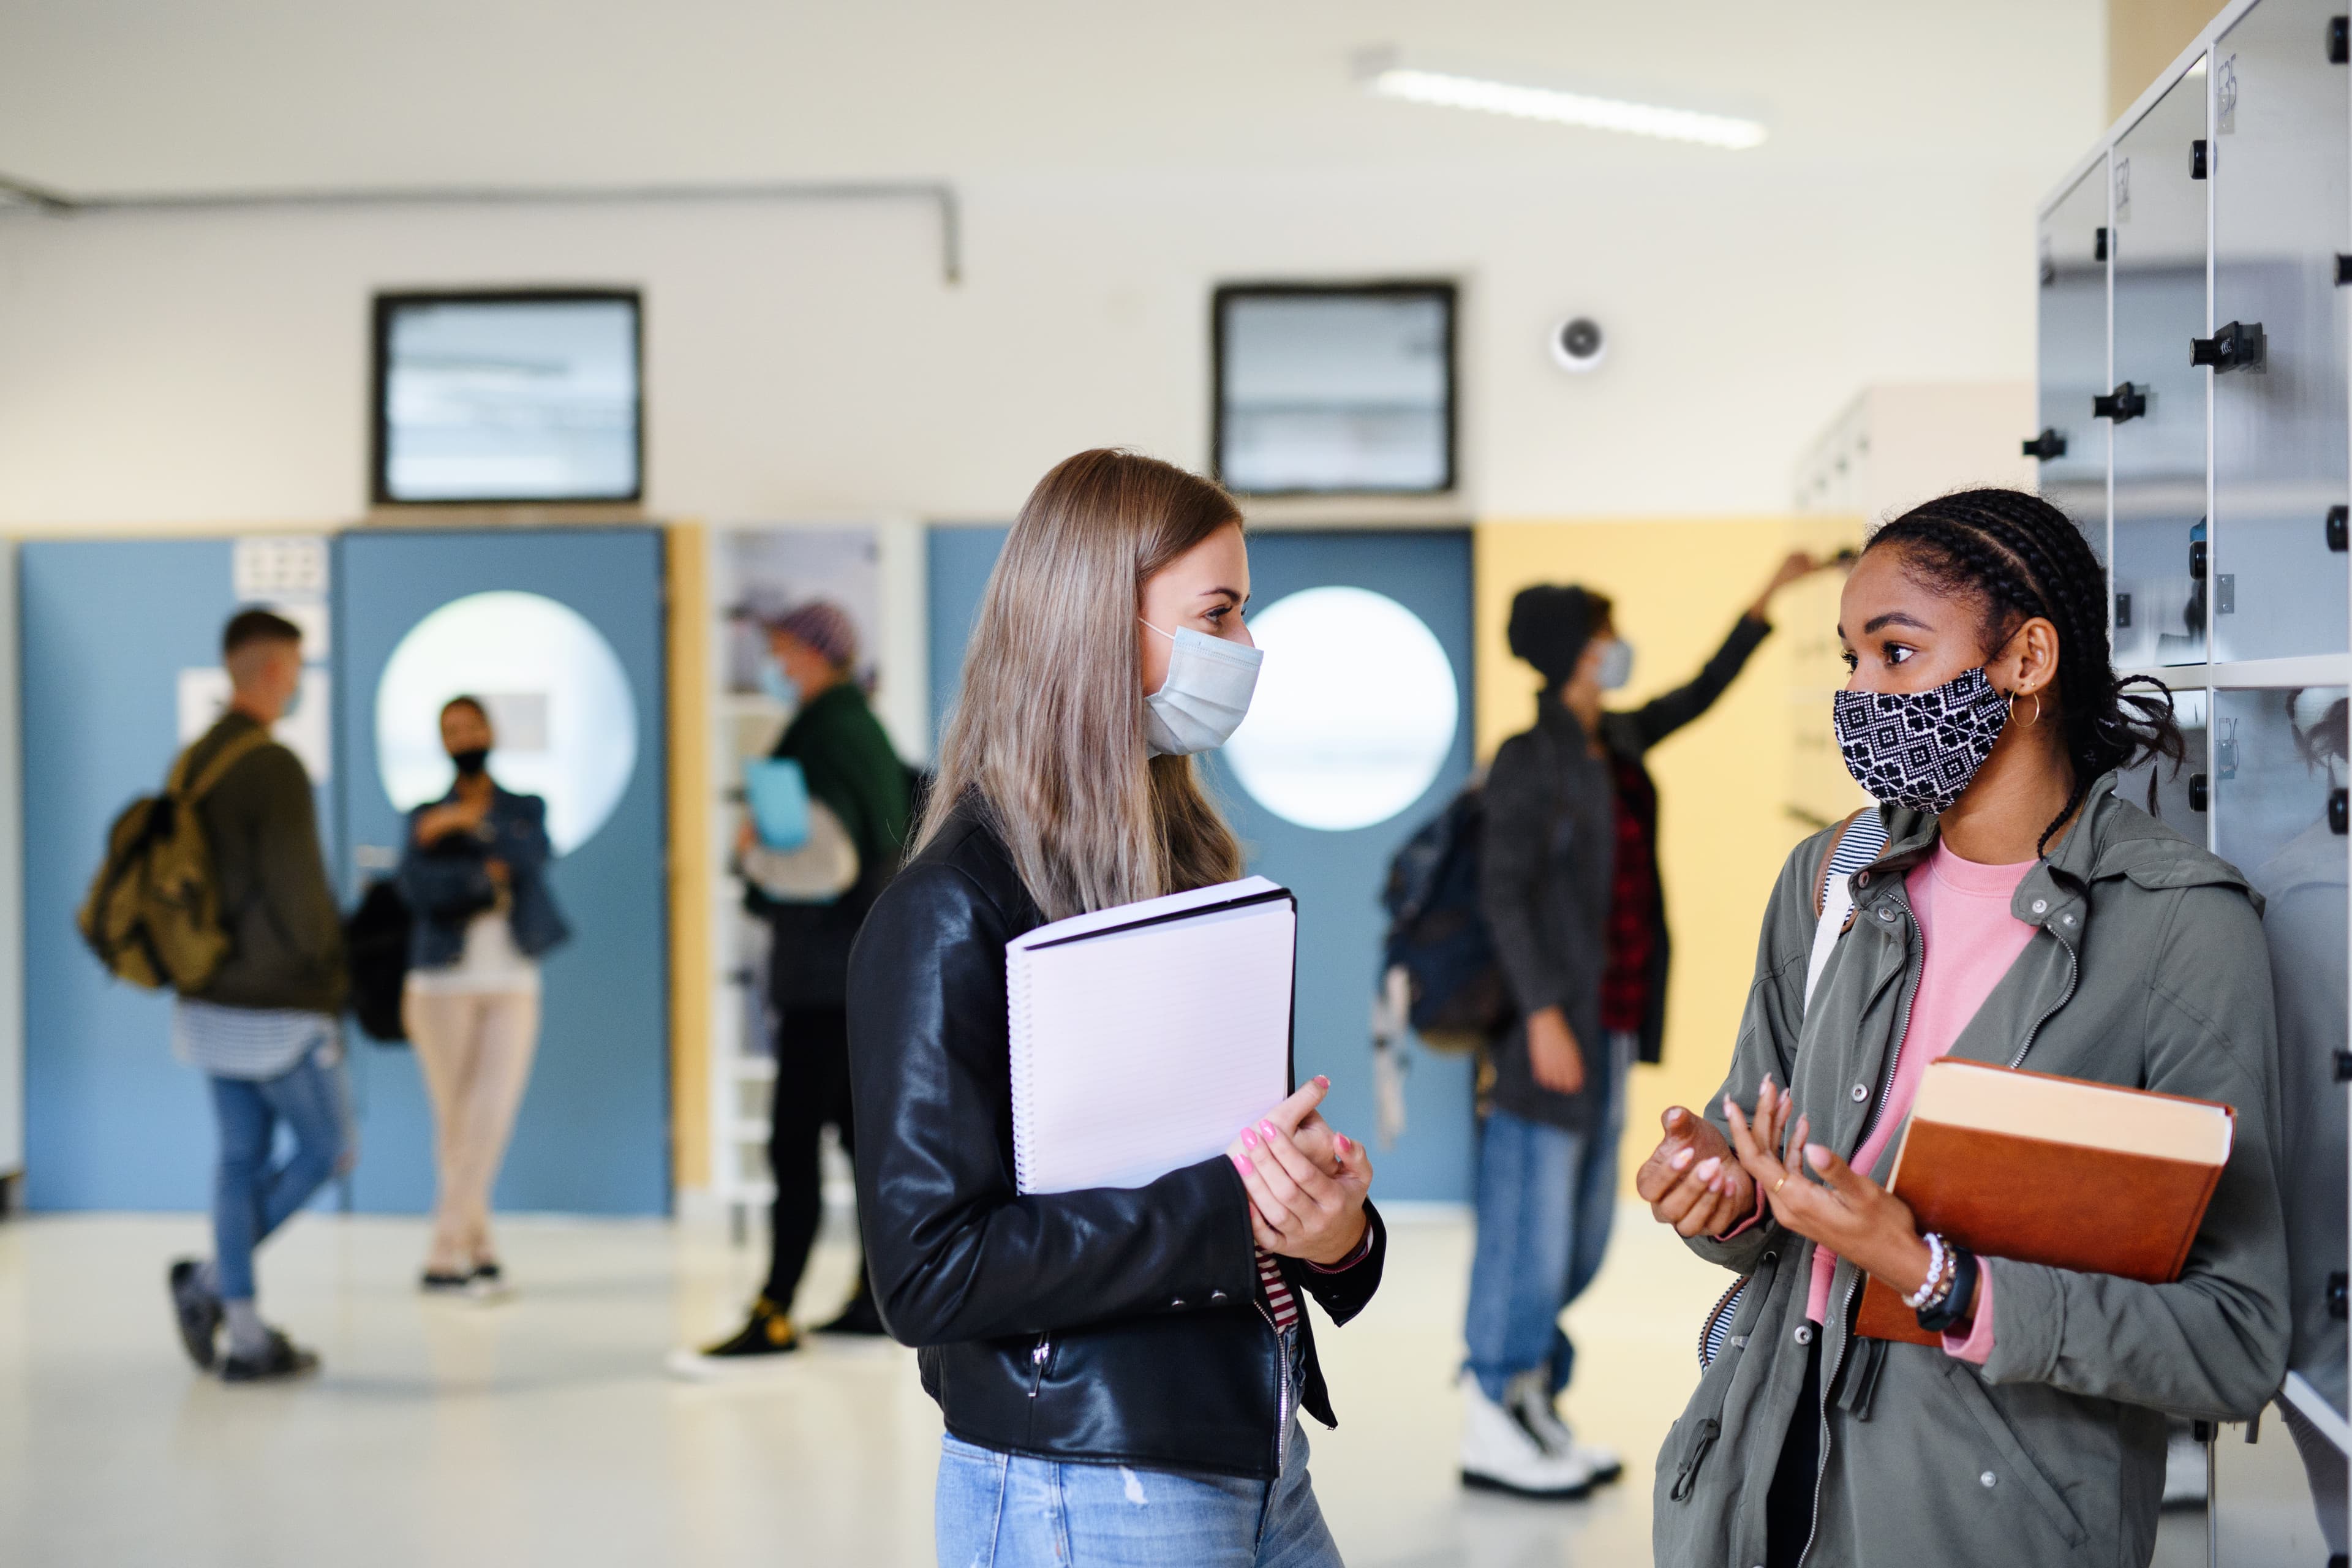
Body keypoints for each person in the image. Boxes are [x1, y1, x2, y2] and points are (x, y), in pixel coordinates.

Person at [1636, 489, 2289, 1567]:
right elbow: (1765, 1199)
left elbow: (2234, 1340)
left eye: (1895, 654)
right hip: (1756, 1491)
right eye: (1850, 657)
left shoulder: (2182, 930)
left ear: (2027, 660)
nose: (1858, 692)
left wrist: (1938, 1277)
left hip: (1983, 1524)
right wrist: (1722, 1190)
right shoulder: (1834, 875)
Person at [850, 448, 1385, 1568]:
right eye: (1220, 614)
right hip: (1086, 1484)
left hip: (1255, 1450)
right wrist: (1228, 1209)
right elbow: (929, 1272)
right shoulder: (949, 909)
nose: (1246, 649)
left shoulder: (1181, 864)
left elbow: (1211, 1166)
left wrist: (1331, 1232)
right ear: (1101, 626)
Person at [1463, 554, 1820, 1497]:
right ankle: (1490, 1407)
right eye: (1606, 634)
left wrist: (1762, 599)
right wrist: (1541, 1015)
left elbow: (1697, 693)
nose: (1619, 648)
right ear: (1579, 649)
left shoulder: (1610, 742)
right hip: (1548, 1032)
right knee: (1528, 1231)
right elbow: (1503, 895)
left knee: (1578, 1235)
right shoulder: (1528, 758)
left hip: (1610, 1022)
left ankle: (1532, 1397)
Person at [680, 600, 911, 1370]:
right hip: (861, 972)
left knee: (793, 1143)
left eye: (783, 650)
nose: (776, 665)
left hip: (823, 976)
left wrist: (752, 856)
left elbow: (827, 863)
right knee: (857, 1137)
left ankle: (775, 1308)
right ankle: (872, 1292)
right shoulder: (863, 729)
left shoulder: (826, 732)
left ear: (816, 654)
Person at [164, 608, 350, 1382]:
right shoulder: (271, 765)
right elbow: (300, 897)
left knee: (239, 1159)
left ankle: (243, 1334)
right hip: (277, 1003)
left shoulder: (194, 762)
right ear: (274, 669)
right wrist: (336, 984)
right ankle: (210, 1282)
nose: (298, 683)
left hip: (206, 995)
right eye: (297, 668)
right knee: (327, 1148)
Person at [396, 695, 570, 1297]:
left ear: (490, 732)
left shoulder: (525, 807)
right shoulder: (422, 813)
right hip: (439, 983)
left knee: (489, 1116)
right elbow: (416, 884)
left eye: (472, 726)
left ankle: (444, 1249)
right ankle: (480, 1244)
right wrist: (477, 872)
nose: (463, 737)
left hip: (512, 977)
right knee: (456, 1121)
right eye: (452, 729)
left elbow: (532, 858)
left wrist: (467, 828)